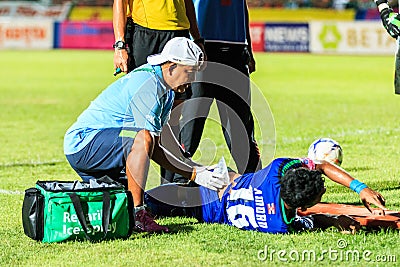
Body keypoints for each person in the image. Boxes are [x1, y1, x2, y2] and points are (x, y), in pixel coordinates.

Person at [64, 37, 225, 233]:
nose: (191, 81)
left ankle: (136, 208)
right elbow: (151, 145)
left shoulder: (166, 88)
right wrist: (192, 174)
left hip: (96, 148)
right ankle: (138, 216)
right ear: (172, 67)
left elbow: (164, 136)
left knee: (134, 198)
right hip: (84, 144)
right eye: (189, 73)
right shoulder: (149, 85)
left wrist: (197, 169)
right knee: (144, 140)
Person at [144, 157, 386, 234]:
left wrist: (360, 188)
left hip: (207, 190)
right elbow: (311, 219)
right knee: (149, 203)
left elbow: (320, 164)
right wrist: (335, 221)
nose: (324, 188)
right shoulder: (280, 223)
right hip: (206, 210)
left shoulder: (276, 170)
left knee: (145, 202)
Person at [164, 0, 262, 184]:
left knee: (240, 124)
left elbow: (242, 8)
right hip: (201, 47)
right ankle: (176, 183)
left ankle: (255, 182)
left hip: (235, 49)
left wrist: (248, 46)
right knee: (191, 124)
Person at [112, 0, 204, 74]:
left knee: (181, 92)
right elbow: (120, 2)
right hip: (145, 34)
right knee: (142, 91)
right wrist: (120, 46)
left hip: (179, 34)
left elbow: (188, 3)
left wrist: (197, 39)